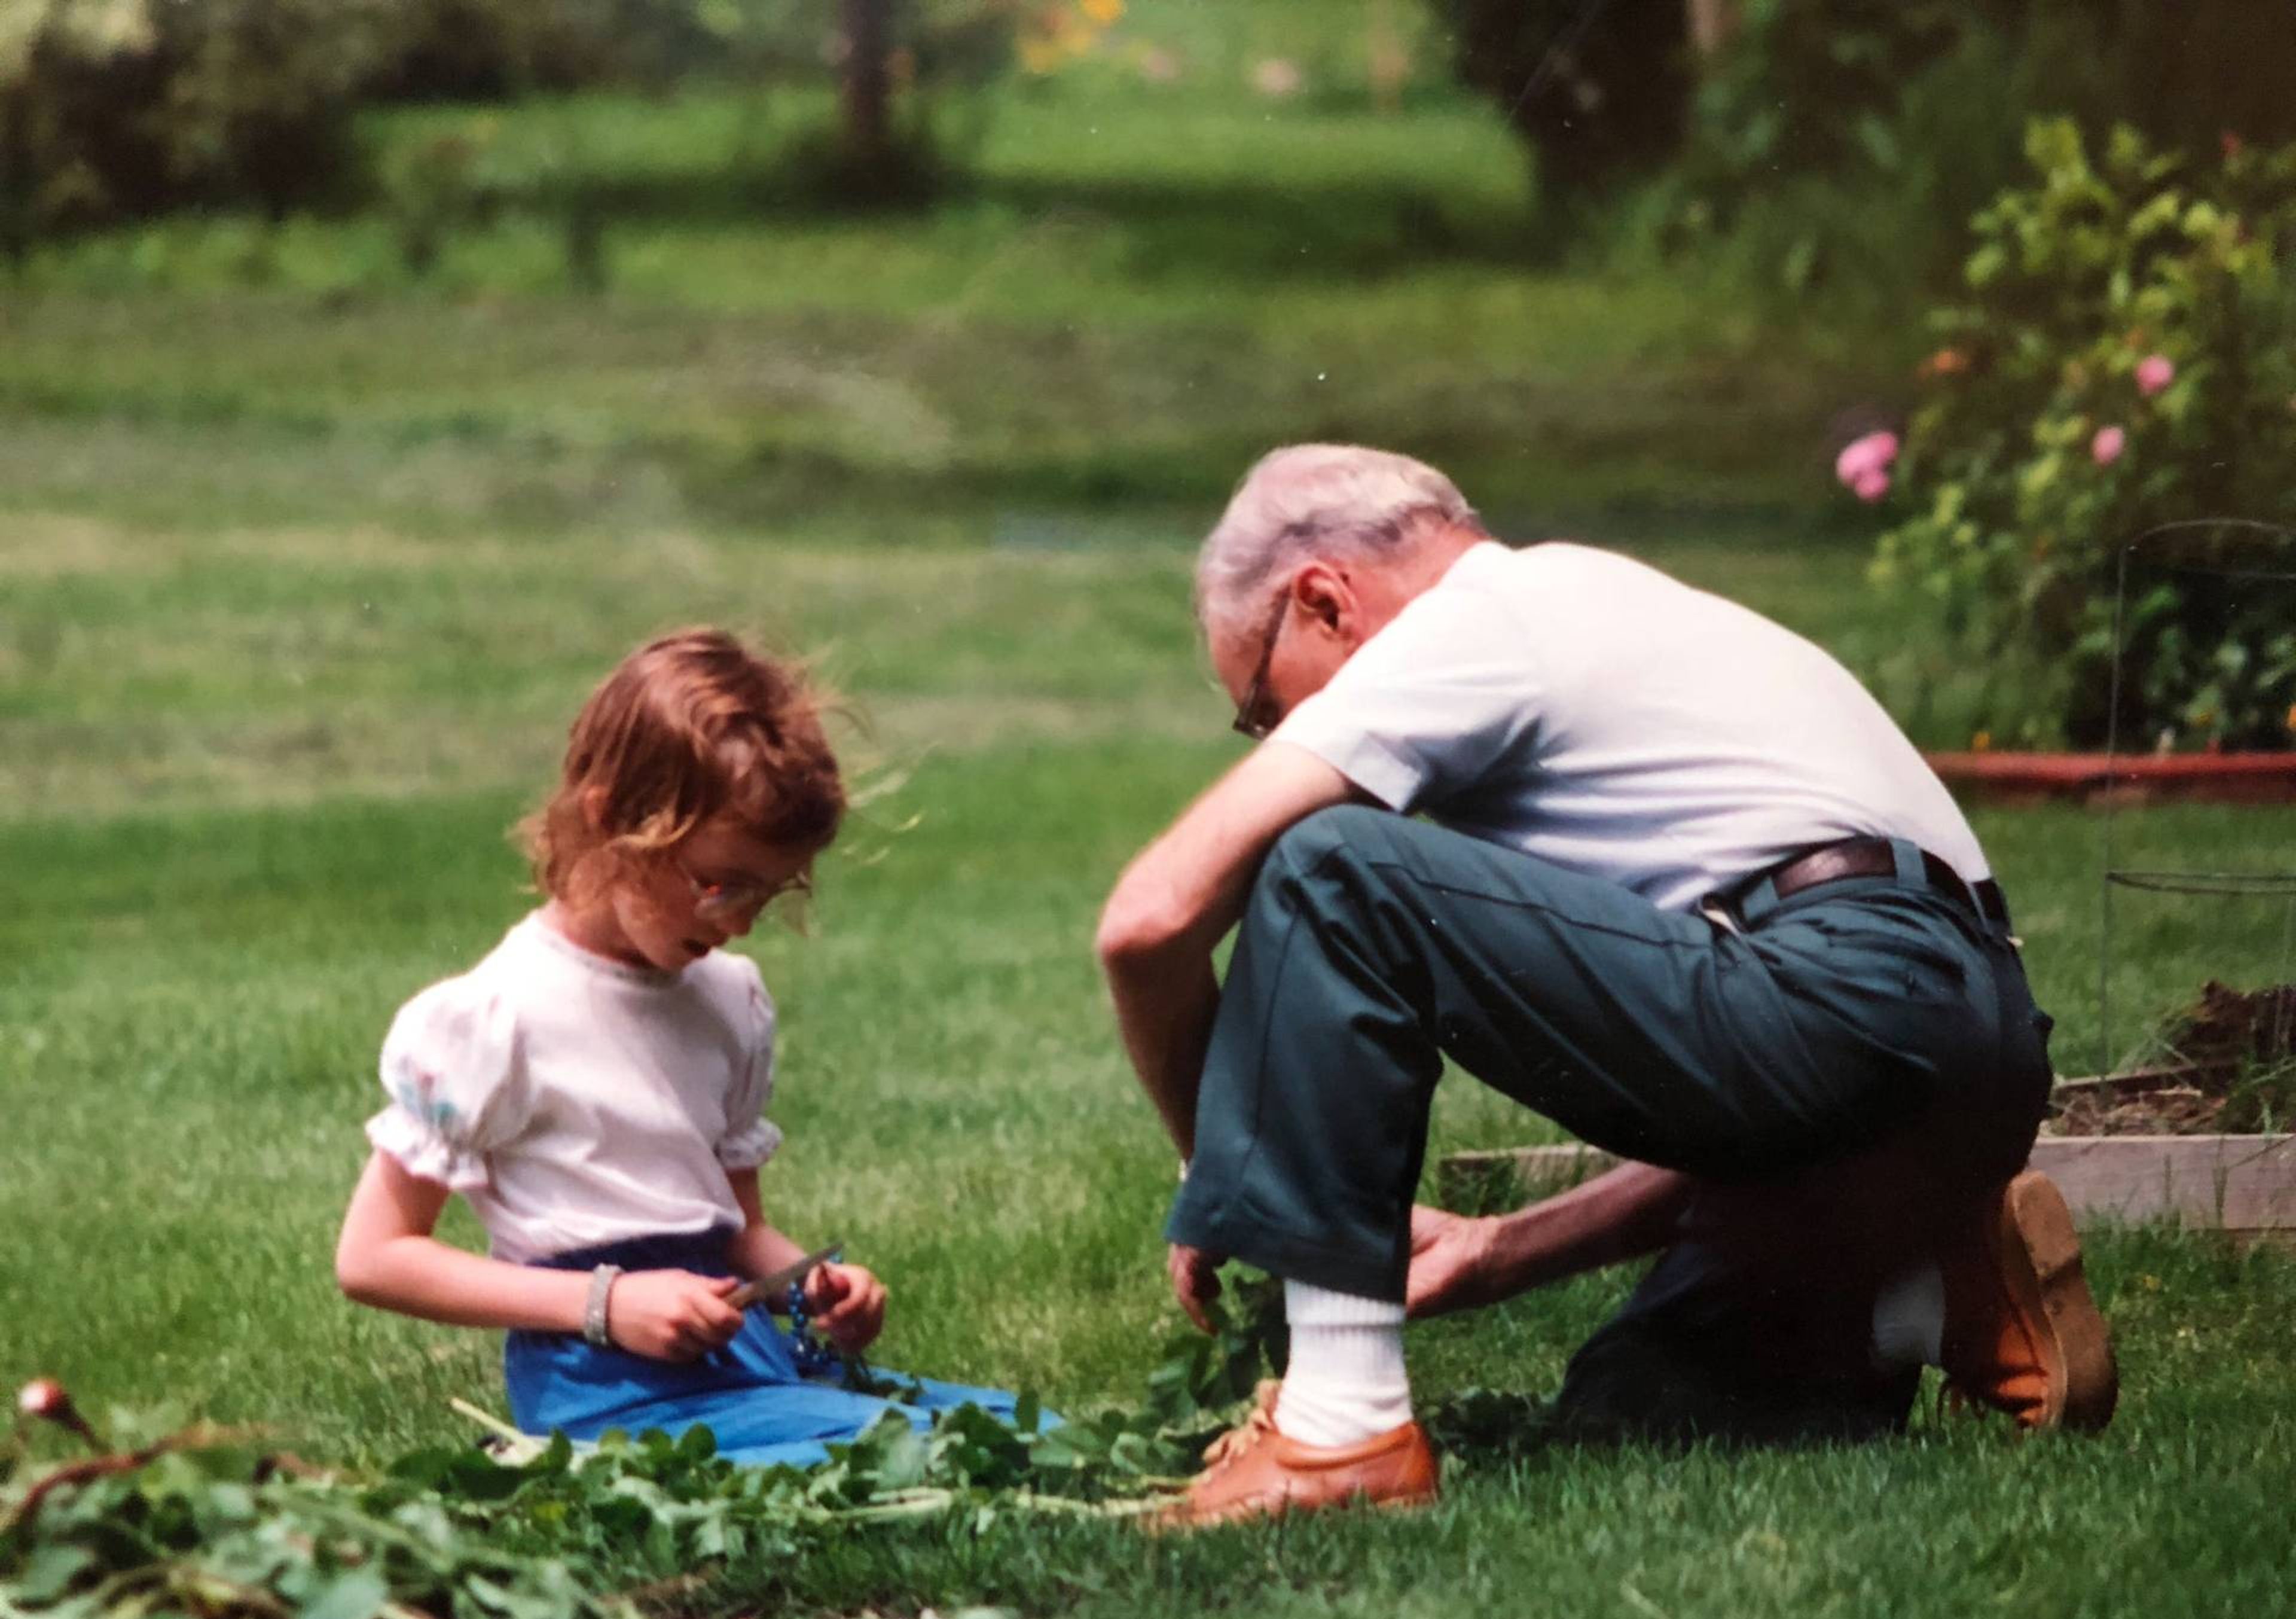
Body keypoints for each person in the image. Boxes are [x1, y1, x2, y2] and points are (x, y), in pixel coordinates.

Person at [1096, 444, 2117, 1529]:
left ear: (1323, 601)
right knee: (1638, 1406)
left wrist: (1227, 1158)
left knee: (1336, 867)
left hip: (1849, 992)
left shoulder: (1471, 622)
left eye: (1262, 707)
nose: (1275, 737)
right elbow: (1741, 1077)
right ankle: (1928, 1281)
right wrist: (1497, 1253)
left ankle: (1341, 1431)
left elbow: (1147, 922)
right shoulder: (1613, 610)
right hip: (1963, 1052)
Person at [335, 628, 1033, 1468]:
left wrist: (812, 1287)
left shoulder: (727, 999)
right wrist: (607, 1304)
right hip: (605, 1389)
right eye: (718, 882)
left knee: (1021, 1433)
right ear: (610, 819)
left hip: (742, 1353)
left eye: (768, 893)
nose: (739, 921)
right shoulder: (495, 1018)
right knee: (919, 1461)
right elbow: (375, 1259)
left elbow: (738, 1230)